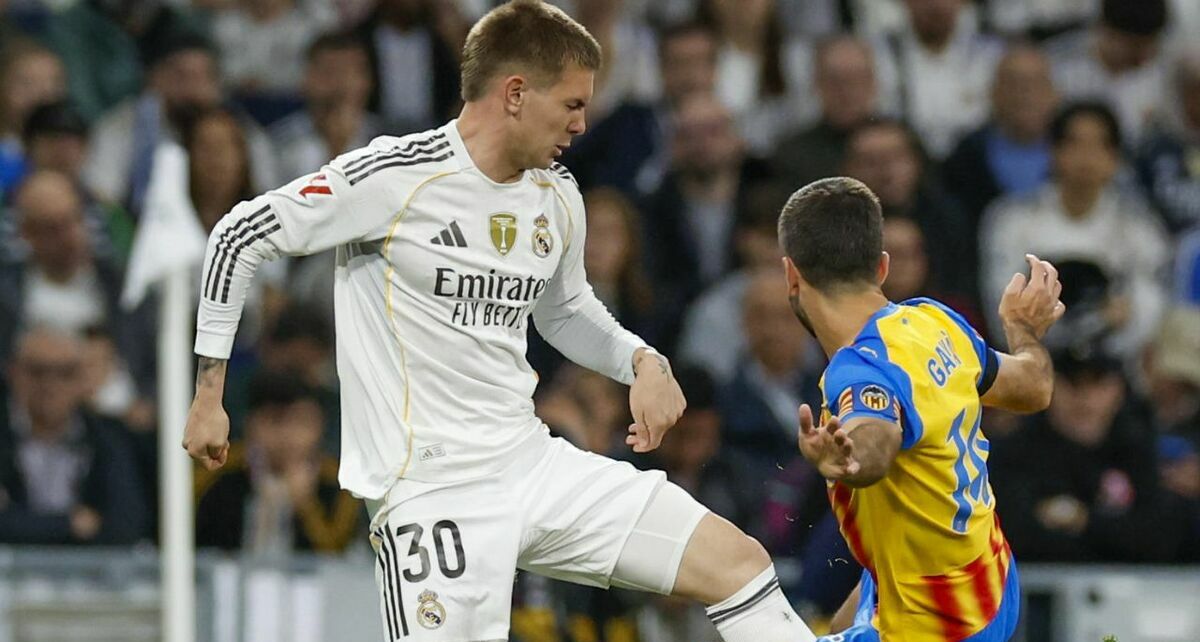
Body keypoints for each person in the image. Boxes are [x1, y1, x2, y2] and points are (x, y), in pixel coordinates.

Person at [182, 3, 818, 641]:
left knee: (740, 565)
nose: (582, 123)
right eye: (571, 103)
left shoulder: (558, 194)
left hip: (532, 463)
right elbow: (239, 235)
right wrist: (209, 393)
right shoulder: (396, 177)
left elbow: (566, 311)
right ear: (516, 93)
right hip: (430, 492)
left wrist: (641, 362)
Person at [776, 176, 1064, 640]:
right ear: (883, 267)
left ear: (791, 275)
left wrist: (848, 460)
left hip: (938, 624)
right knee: (840, 623)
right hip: (990, 578)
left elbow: (874, 437)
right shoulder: (936, 321)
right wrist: (1022, 328)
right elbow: (1033, 386)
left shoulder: (859, 370)